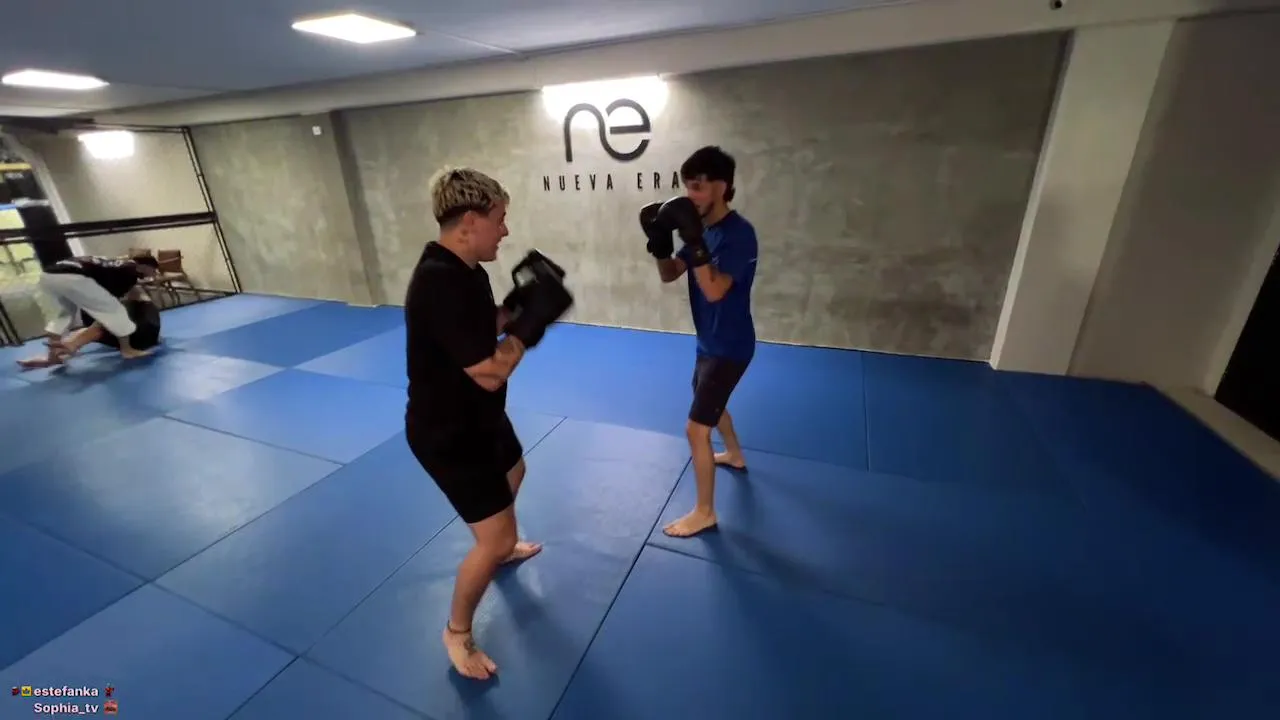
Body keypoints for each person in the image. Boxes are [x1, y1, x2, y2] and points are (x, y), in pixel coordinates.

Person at [403, 167, 573, 681]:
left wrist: (517, 306)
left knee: (515, 471)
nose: (505, 230)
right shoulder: (438, 283)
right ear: (470, 221)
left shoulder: (467, 270)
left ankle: (498, 540)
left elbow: (480, 325)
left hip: (480, 418)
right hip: (448, 432)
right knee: (496, 539)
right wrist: (528, 328)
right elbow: (490, 372)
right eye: (499, 220)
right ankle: (457, 632)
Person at [640, 146, 759, 538]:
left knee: (696, 428)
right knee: (706, 400)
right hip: (709, 340)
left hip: (730, 346)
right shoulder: (702, 230)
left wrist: (693, 241)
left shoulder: (740, 235)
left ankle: (705, 512)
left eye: (698, 187)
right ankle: (735, 454)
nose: (690, 196)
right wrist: (660, 243)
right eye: (687, 187)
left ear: (721, 187)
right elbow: (670, 273)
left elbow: (714, 290)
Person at [17, 254, 160, 369]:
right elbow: (114, 301)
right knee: (115, 311)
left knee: (62, 316)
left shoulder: (116, 264)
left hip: (48, 275)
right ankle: (127, 350)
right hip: (73, 277)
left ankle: (52, 357)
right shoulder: (130, 273)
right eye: (153, 270)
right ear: (144, 266)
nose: (153, 274)